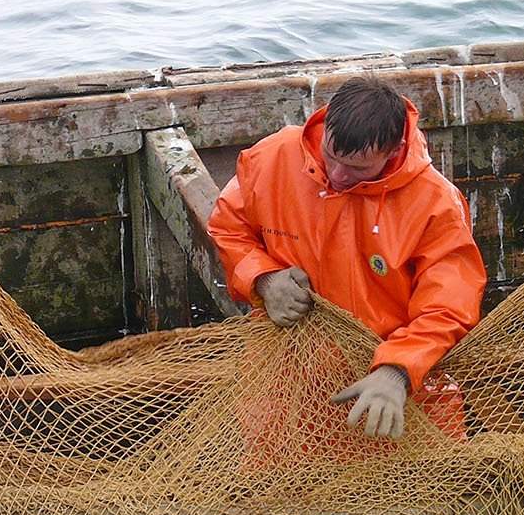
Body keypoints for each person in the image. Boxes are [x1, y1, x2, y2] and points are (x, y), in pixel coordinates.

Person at [208, 78, 486, 440]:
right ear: (325, 125)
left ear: (393, 151)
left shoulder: (436, 205)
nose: (337, 177)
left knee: (410, 491)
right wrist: (263, 279)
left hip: (390, 393)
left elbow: (449, 306)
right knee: (279, 487)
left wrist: (398, 370)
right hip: (285, 382)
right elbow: (229, 227)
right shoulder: (269, 158)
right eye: (331, 157)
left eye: (357, 168)